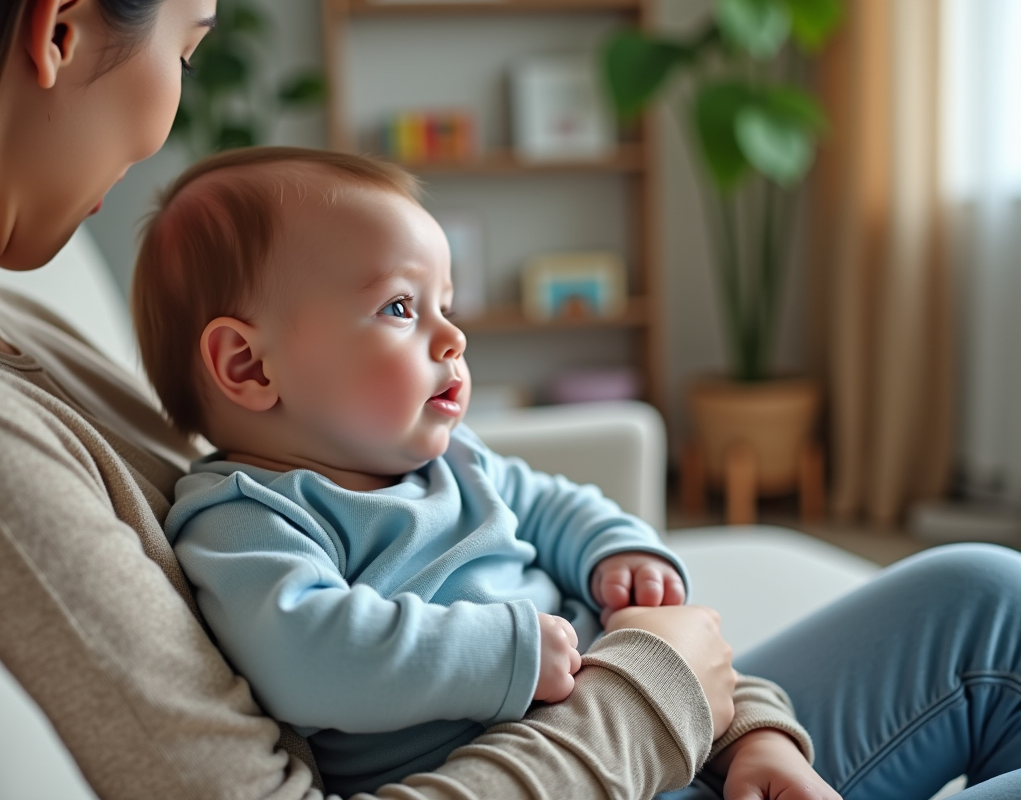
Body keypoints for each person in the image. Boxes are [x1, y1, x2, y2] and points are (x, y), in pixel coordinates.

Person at [0, 1, 1019, 799]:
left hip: (629, 720)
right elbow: (316, 661)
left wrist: (734, 706)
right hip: (601, 739)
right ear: (62, 30)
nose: (173, 105)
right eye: (187, 50)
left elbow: (539, 511)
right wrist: (655, 687)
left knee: (985, 598)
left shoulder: (6, 325)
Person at [131, 146, 825, 797]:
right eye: (399, 307)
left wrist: (616, 551)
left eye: (447, 306)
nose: (454, 337)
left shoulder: (457, 459)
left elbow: (553, 505)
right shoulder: (247, 515)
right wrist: (505, 653)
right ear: (249, 366)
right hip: (567, 761)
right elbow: (309, 655)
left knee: (780, 672)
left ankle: (758, 742)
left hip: (653, 718)